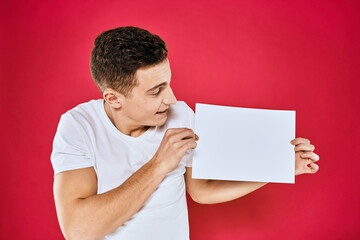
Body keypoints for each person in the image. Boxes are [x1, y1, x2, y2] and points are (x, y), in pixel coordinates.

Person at [51, 26, 320, 240]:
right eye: (156, 91)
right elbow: (78, 231)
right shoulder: (78, 126)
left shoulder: (180, 116)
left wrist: (277, 167)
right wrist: (159, 164)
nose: (171, 99)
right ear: (113, 98)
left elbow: (202, 192)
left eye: (168, 83)